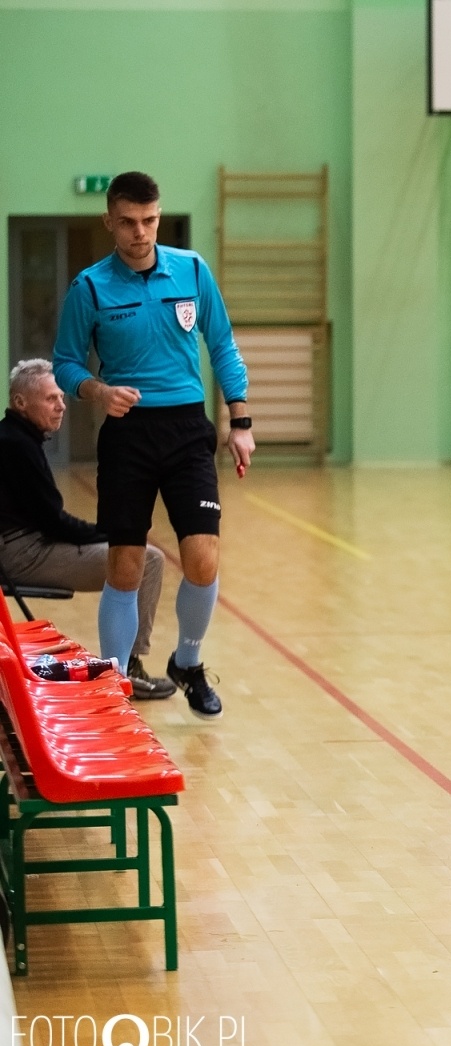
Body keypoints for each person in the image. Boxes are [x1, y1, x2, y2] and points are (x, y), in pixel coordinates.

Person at [52, 171, 254, 721]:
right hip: (128, 434)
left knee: (203, 560)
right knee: (126, 563)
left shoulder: (191, 271)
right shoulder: (89, 288)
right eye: (128, 222)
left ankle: (187, 662)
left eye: (149, 220)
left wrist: (240, 419)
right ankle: (114, 680)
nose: (140, 232)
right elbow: (64, 363)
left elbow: (223, 344)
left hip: (188, 430)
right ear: (109, 222)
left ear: (158, 218)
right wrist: (95, 389)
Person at [0, 361, 176, 700]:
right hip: (18, 554)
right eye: (51, 398)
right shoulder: (17, 445)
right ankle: (129, 667)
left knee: (135, 555)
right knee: (147, 560)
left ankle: (125, 663)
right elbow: (53, 522)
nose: (61, 405)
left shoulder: (14, 436)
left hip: (16, 548)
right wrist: (114, 537)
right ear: (21, 403)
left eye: (61, 398)